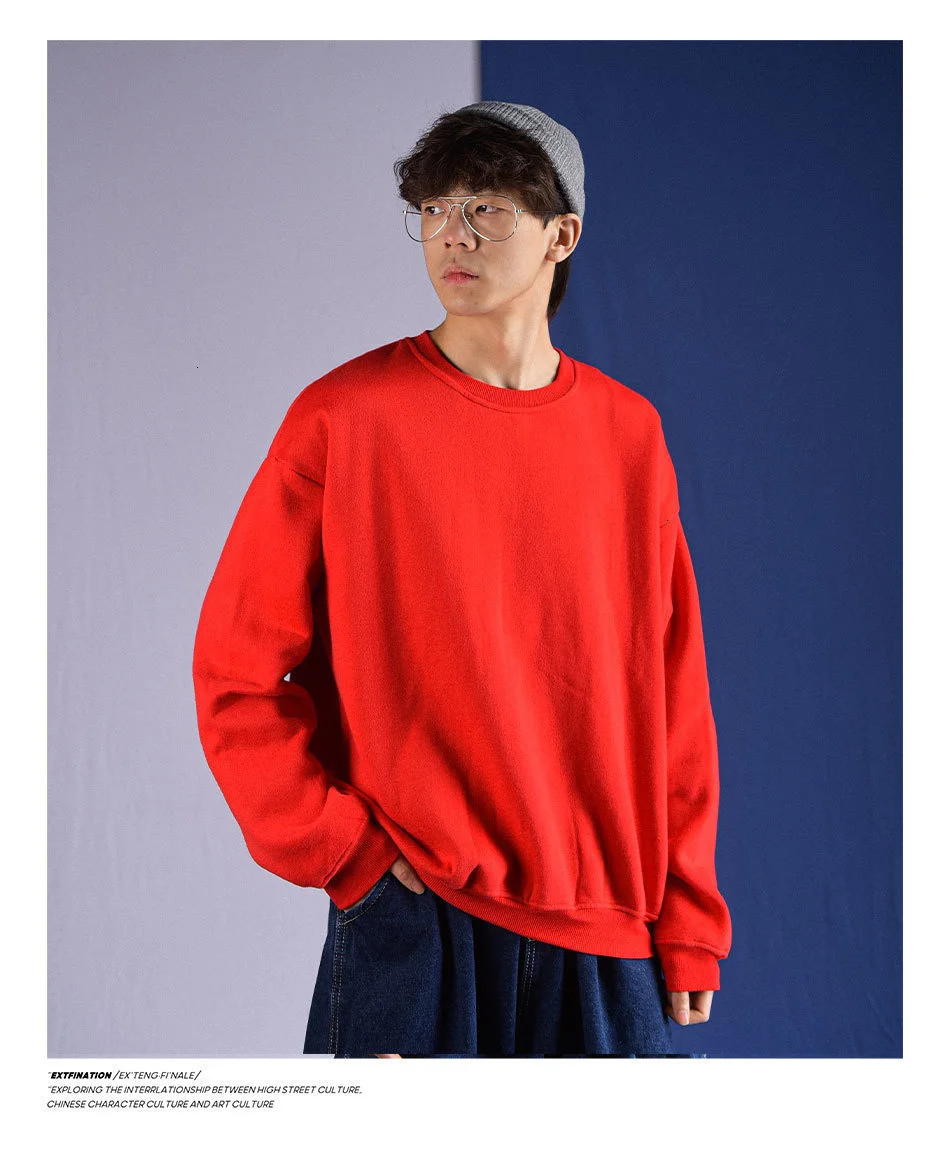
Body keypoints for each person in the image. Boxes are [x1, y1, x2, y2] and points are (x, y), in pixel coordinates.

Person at [191, 100, 732, 1058]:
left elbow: (673, 696)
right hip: (416, 918)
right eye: (436, 208)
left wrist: (688, 912)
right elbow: (235, 671)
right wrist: (344, 851)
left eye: (488, 208)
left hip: (608, 933)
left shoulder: (629, 437)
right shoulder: (344, 418)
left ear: (562, 236)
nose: (454, 234)